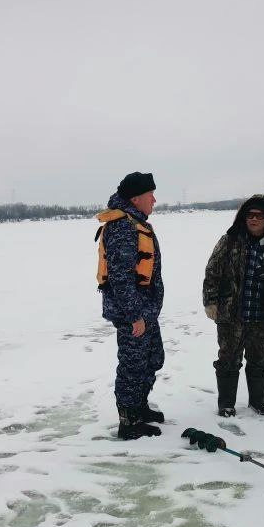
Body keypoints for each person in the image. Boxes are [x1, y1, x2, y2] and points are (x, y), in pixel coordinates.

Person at [202, 194, 264, 417]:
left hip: (263, 316)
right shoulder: (229, 242)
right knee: (228, 359)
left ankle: (258, 401)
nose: (253, 219)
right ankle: (226, 404)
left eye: (259, 216)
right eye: (249, 215)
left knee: (260, 360)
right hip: (231, 314)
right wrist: (211, 301)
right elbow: (212, 272)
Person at [95, 172, 165, 440]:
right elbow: (120, 276)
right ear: (136, 198)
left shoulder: (135, 222)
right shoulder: (123, 227)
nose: (154, 200)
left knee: (152, 359)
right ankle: (129, 421)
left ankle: (139, 406)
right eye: (150, 195)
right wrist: (134, 315)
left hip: (146, 310)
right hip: (133, 313)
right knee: (132, 366)